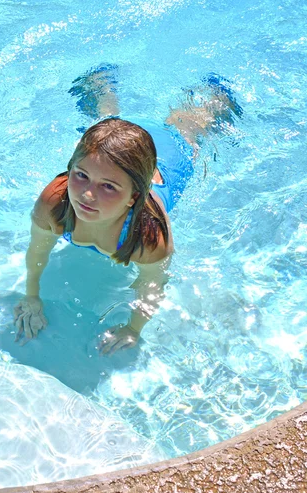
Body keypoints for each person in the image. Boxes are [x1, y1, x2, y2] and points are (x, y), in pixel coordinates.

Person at [14, 66, 242, 356]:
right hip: (118, 144)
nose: (86, 194)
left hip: (169, 154)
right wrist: (31, 296)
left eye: (108, 187)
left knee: (185, 127)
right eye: (80, 175)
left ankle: (216, 98)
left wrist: (133, 328)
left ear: (134, 197)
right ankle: (102, 86)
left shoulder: (149, 235)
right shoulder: (56, 201)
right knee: (107, 126)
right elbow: (37, 251)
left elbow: (152, 287)